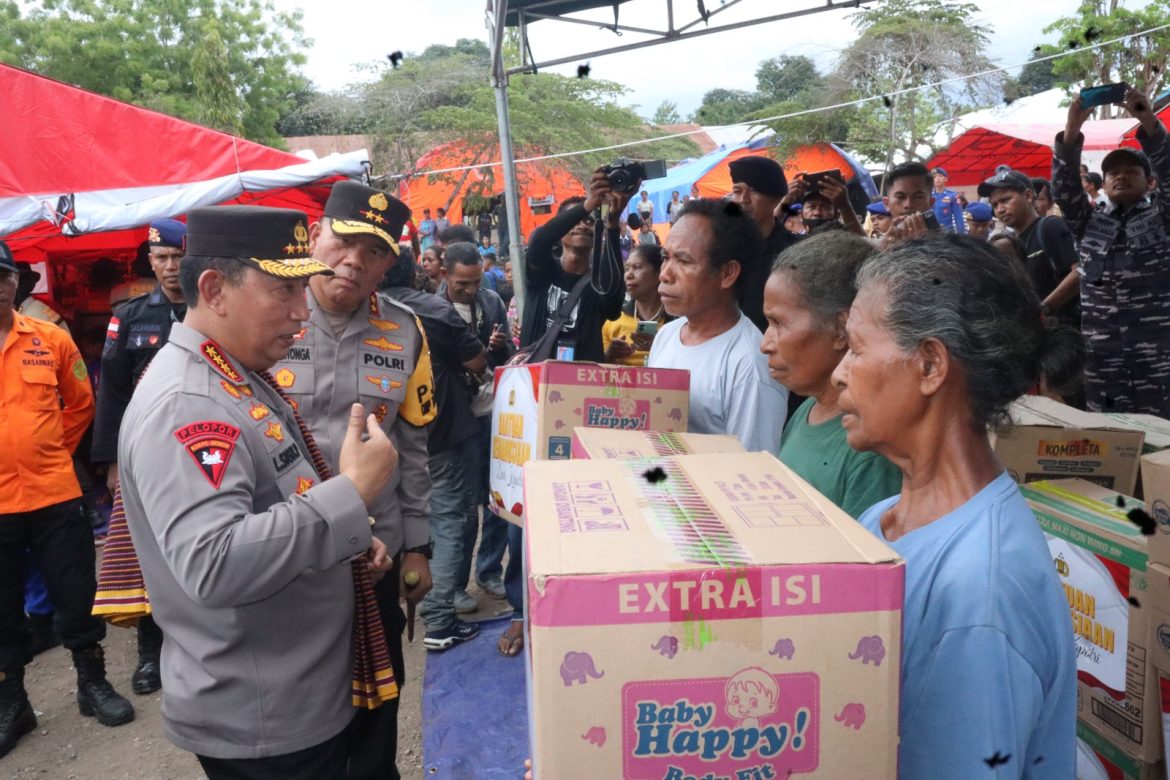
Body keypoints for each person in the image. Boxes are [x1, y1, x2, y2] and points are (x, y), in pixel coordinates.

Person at [116, 206, 398, 778]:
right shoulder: (190, 402)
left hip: (291, 688)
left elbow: (273, 500)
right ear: (214, 290)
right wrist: (350, 494)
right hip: (267, 714)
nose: (302, 312)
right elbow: (214, 562)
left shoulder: (233, 372)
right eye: (283, 291)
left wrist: (342, 543)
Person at [834, 233, 1077, 777]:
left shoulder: (981, 592)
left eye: (855, 347)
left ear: (929, 366)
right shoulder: (881, 521)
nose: (839, 372)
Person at [267, 182, 436, 780]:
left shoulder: (406, 329)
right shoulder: (267, 314)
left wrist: (418, 546)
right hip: (287, 550)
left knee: (378, 691)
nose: (354, 261)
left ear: (390, 262)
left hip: (377, 553)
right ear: (317, 235)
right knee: (296, 706)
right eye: (344, 241)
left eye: (374, 251)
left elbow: (412, 448)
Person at [0, 239, 134, 760]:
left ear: (16, 281)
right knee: (2, 608)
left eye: (4, 275)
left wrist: (48, 445)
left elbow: (81, 405)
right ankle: (13, 702)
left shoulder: (50, 338)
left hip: (55, 491)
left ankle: (92, 683)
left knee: (76, 591)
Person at [90, 218, 187, 697]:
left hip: (199, 450)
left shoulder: (212, 309)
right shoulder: (130, 318)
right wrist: (110, 463)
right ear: (150, 262)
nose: (170, 268)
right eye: (162, 259)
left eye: (177, 257)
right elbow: (110, 394)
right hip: (143, 457)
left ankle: (193, 644)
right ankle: (152, 654)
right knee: (149, 555)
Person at [383, 245, 487, 651]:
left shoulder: (359, 309)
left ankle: (392, 615)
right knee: (446, 524)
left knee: (390, 525)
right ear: (418, 274)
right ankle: (439, 623)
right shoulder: (431, 309)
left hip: (377, 441)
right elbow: (477, 361)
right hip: (436, 436)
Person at [760, 232, 901, 518]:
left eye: (779, 324)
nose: (765, 344)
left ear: (841, 329)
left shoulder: (869, 449)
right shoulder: (806, 412)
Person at [1054, 87, 1170, 416]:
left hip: (1158, 357)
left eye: (1130, 171)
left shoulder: (1163, 218)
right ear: (1102, 184)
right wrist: (1072, 128)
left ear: (1150, 182)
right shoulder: (1088, 222)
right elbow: (1064, 189)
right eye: (1112, 173)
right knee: (1109, 441)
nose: (1120, 176)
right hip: (1103, 358)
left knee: (1162, 445)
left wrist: (1147, 119)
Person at [648, 199, 788, 453]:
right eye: (665, 257)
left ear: (727, 274)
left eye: (684, 261)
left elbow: (751, 470)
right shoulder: (667, 335)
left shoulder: (750, 364)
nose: (665, 274)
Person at [435, 242, 513, 608]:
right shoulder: (433, 309)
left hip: (494, 411)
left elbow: (509, 353)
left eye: (475, 282)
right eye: (461, 284)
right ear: (445, 274)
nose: (469, 290)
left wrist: (497, 346)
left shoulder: (492, 301)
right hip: (460, 419)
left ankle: (489, 571)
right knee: (465, 506)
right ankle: (456, 584)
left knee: (497, 500)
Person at [519, 169, 630, 363]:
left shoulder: (597, 283)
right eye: (574, 220)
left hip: (581, 386)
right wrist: (590, 204)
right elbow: (539, 241)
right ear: (560, 230)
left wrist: (611, 225)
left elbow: (613, 302)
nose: (581, 225)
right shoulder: (542, 271)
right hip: (533, 381)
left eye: (588, 221)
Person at [979, 165, 1080, 322]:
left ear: (1027, 196)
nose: (1000, 209)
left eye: (1006, 200)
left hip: (1065, 329)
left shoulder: (1050, 227)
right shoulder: (1009, 243)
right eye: (995, 204)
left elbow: (1079, 272)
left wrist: (1045, 308)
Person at [728, 155, 800, 333]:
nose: (743, 199)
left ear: (775, 200)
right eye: (737, 191)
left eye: (753, 190)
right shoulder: (720, 247)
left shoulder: (797, 252)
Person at [602, 244, 671, 366]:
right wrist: (610, 354)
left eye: (637, 267)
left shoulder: (678, 320)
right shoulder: (613, 319)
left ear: (658, 273)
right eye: (627, 269)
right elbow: (595, 368)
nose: (629, 275)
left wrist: (658, 346)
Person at [930, 167, 966, 234]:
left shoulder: (953, 196)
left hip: (947, 233)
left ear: (946, 179)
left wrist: (962, 236)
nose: (937, 178)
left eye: (940, 176)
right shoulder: (928, 196)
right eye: (934, 177)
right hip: (931, 233)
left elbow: (958, 217)